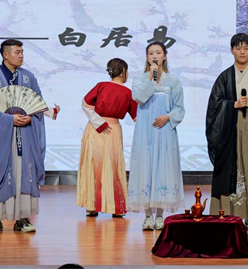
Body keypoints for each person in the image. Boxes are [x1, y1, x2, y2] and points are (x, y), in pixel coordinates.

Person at [0, 39, 59, 233]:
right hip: (0, 136)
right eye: (17, 52)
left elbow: (37, 105)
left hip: (25, 134)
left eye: (22, 52)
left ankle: (23, 218)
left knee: (24, 172)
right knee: (0, 172)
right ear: (5, 55)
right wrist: (9, 119)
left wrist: (31, 118)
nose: (21, 55)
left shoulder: (29, 78)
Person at [206, 33, 248, 232]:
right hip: (230, 128)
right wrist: (232, 105)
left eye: (246, 48)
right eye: (238, 48)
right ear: (232, 50)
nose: (242, 52)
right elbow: (214, 105)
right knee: (231, 168)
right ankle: (228, 214)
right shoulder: (224, 77)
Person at [127, 41, 185, 231]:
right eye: (151, 53)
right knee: (145, 168)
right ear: (147, 57)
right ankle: (147, 216)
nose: (154, 56)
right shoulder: (139, 79)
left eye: (158, 52)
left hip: (165, 133)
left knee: (163, 170)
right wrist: (150, 79)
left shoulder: (173, 81)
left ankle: (160, 215)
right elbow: (140, 97)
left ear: (164, 56)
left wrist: (168, 117)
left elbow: (179, 108)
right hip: (145, 133)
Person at [77, 58, 137, 217]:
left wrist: (98, 122)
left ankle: (92, 205)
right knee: (113, 166)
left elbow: (85, 103)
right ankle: (115, 207)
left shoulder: (101, 86)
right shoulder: (128, 93)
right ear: (123, 72)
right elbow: (137, 117)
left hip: (96, 128)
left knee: (93, 165)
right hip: (112, 130)